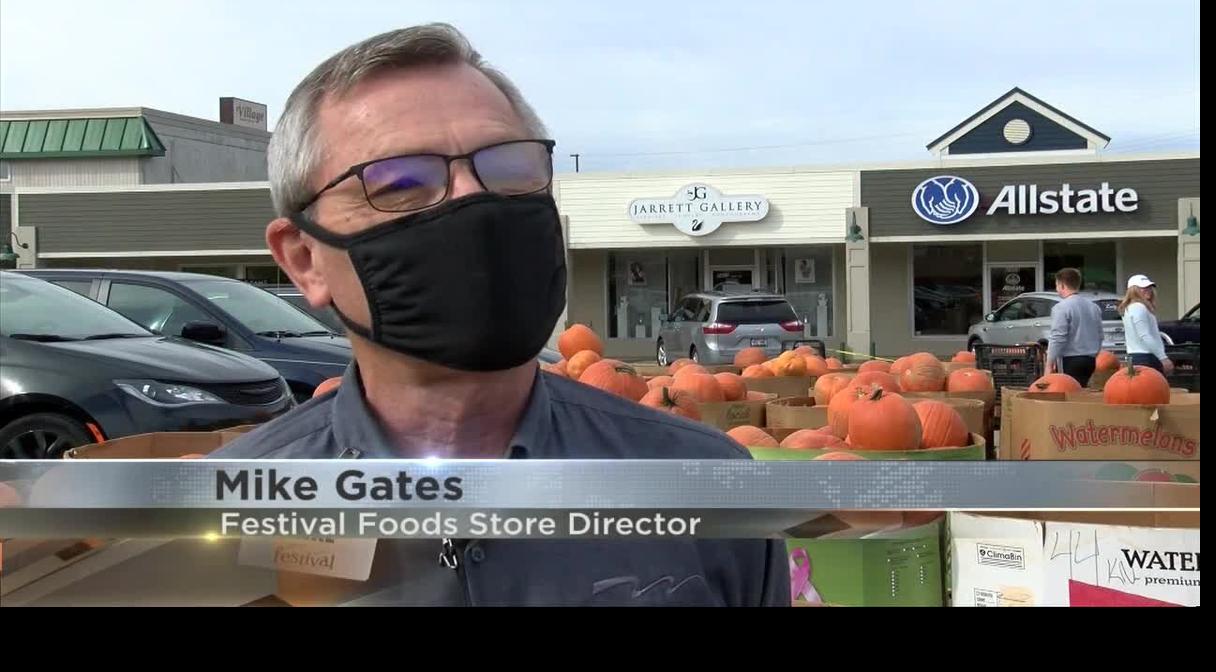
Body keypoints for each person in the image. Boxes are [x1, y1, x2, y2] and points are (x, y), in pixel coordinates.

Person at [209, 24, 787, 607]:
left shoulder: (704, 482)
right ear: (305, 260)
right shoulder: (221, 515)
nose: (472, 200)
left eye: (508, 168)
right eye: (401, 183)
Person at [1044, 268, 1103, 388]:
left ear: (1062, 285)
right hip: (1090, 360)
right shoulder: (1093, 307)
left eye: (1056, 285)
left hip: (1070, 359)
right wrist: (1094, 353)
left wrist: (1049, 364)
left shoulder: (1061, 307)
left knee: (1070, 394)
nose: (1056, 289)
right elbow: (1100, 335)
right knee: (1082, 392)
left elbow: (1058, 337)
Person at [1119, 274, 1174, 375]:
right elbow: (1145, 335)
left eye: (1149, 287)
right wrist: (1163, 357)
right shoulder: (1138, 307)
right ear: (1133, 290)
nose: (1148, 290)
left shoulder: (1131, 307)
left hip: (1139, 356)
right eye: (1143, 288)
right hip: (1146, 357)